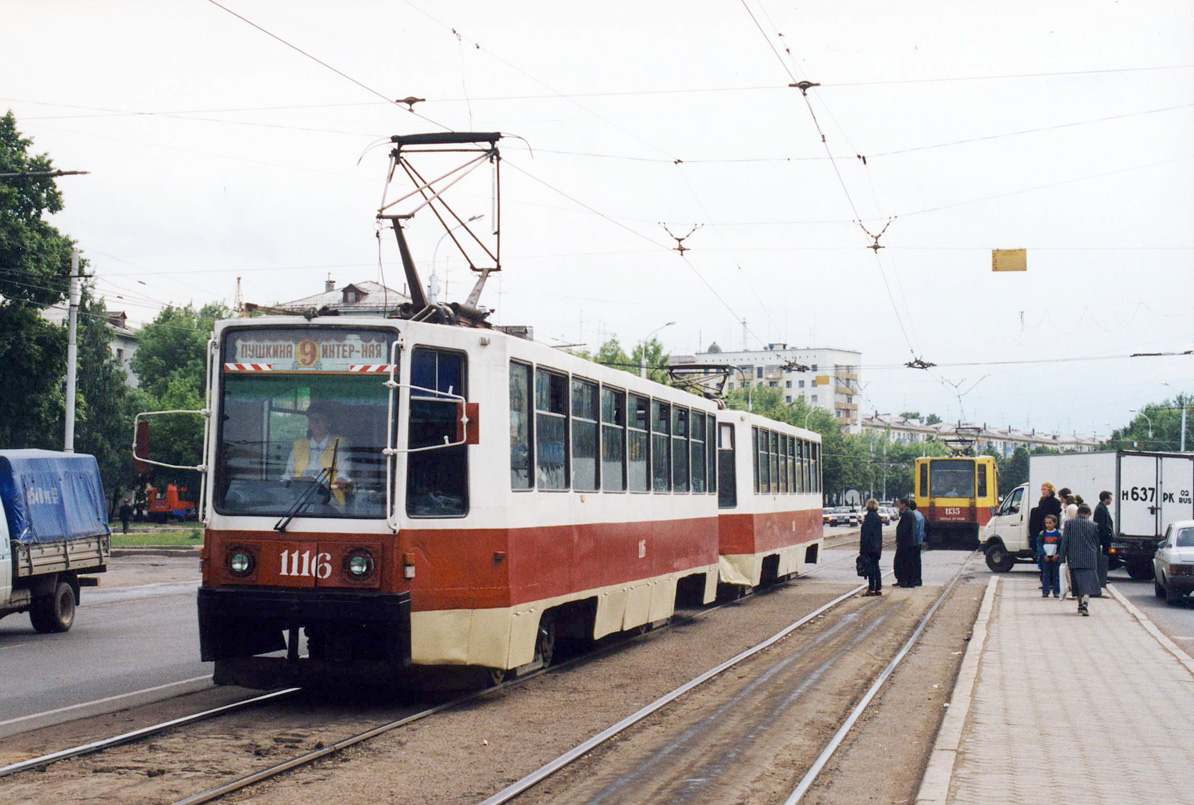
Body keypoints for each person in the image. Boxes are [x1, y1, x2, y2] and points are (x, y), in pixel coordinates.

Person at [283, 404, 353, 506]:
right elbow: (288, 474)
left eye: (320, 419)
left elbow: (343, 472)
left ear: (329, 422)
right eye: (312, 419)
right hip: (299, 501)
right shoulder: (299, 444)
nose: (315, 423)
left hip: (330, 500)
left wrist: (341, 480)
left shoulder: (340, 443)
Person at [1059, 503, 1101, 615]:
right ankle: (1085, 604)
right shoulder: (1094, 525)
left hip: (1074, 558)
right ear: (1088, 514)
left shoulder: (1069, 524)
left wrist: (1062, 557)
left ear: (1077, 513)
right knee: (1088, 584)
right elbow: (1096, 543)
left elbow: (1065, 542)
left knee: (1077, 583)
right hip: (1090, 558)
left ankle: (1079, 604)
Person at [859, 498, 884, 596]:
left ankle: (871, 588)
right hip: (877, 547)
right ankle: (878, 588)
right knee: (876, 567)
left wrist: (862, 549)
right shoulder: (878, 517)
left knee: (870, 569)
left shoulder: (869, 517)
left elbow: (866, 534)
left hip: (869, 547)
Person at [1036, 514, 1062, 598]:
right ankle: (1045, 591)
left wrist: (1058, 554)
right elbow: (1039, 544)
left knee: (1056, 575)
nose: (1048, 525)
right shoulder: (1042, 534)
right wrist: (1043, 554)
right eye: (1046, 523)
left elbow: (1061, 545)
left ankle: (1056, 591)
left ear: (1055, 523)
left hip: (1055, 557)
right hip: (1045, 558)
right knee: (1045, 575)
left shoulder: (1058, 534)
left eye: (1050, 523)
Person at [1093, 490, 1114, 589]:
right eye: (1110, 498)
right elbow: (1102, 525)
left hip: (1104, 537)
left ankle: (1103, 577)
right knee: (1104, 557)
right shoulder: (1101, 509)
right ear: (1106, 499)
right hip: (1103, 538)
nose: (1111, 500)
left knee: (1105, 556)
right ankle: (1102, 577)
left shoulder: (1102, 507)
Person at [894, 497, 917, 588]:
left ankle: (905, 581)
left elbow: (905, 529)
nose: (898, 506)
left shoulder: (907, 514)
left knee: (904, 562)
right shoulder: (909, 513)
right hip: (908, 543)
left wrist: (899, 541)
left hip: (905, 544)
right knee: (905, 562)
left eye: (899, 504)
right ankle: (904, 580)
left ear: (904, 504)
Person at [908, 498, 926, 586]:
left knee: (912, 561)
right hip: (919, 541)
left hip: (914, 541)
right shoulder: (920, 515)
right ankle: (918, 579)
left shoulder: (913, 516)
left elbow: (913, 529)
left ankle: (913, 579)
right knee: (917, 561)